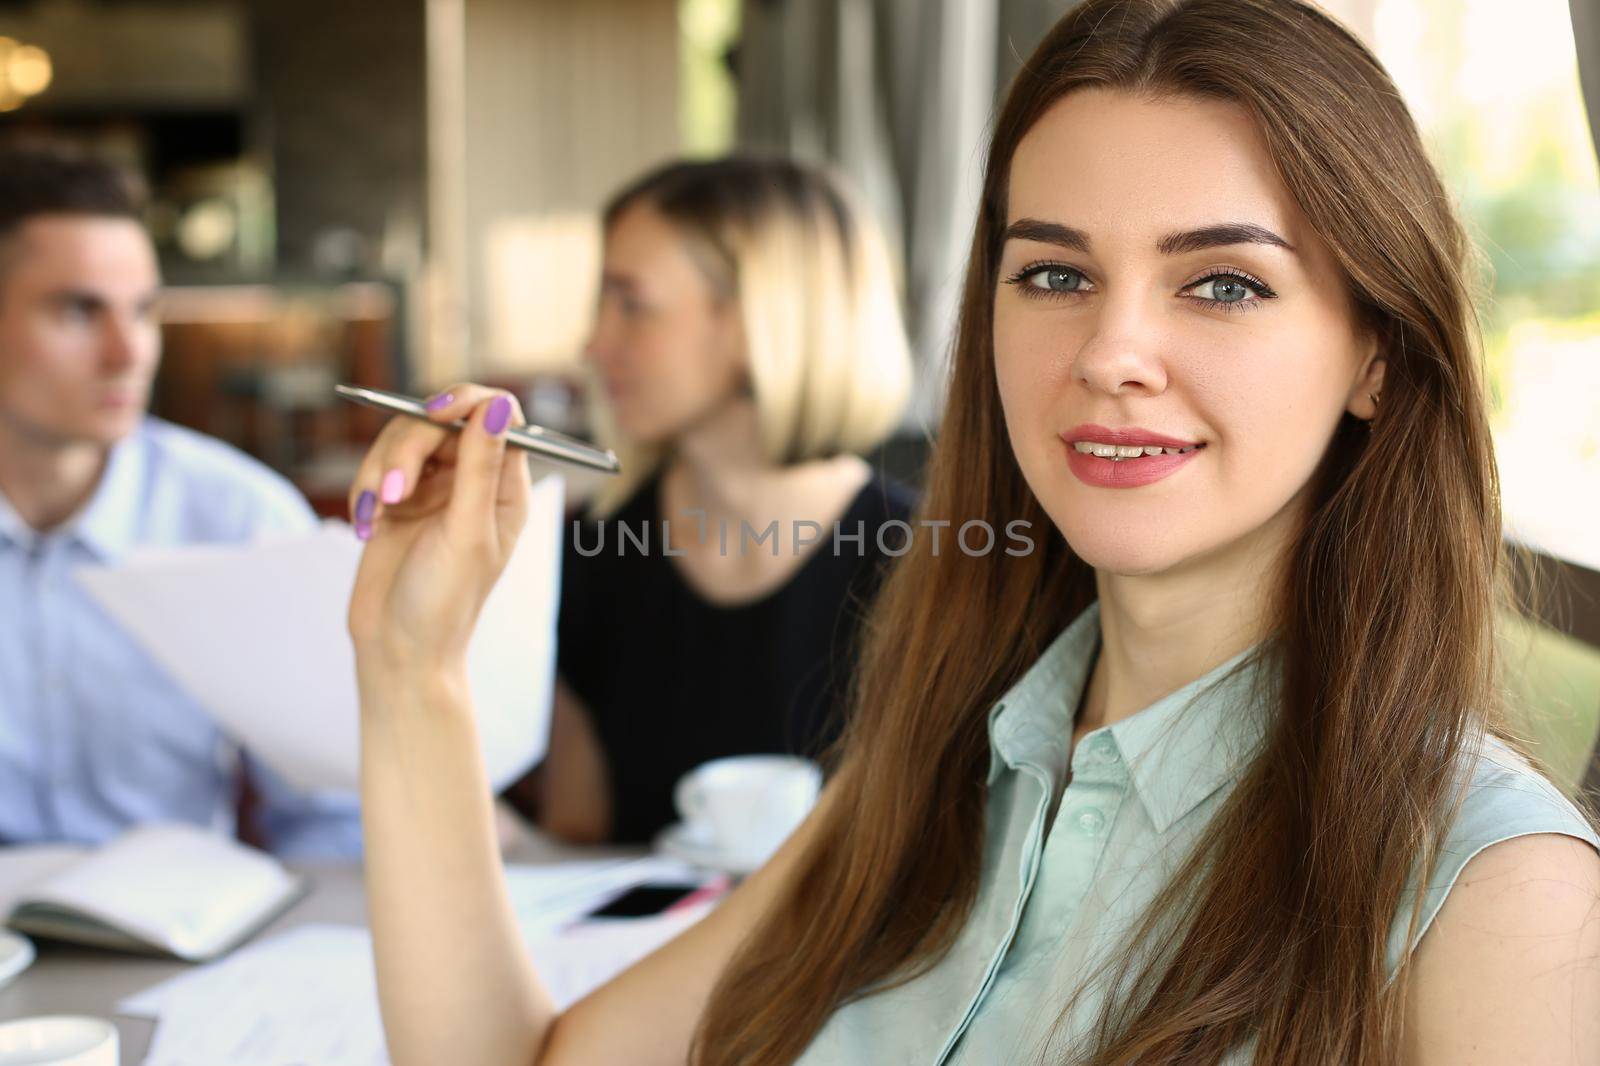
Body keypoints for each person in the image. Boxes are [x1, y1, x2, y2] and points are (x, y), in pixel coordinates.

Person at [344, 0, 1600, 1062]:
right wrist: (413, 673)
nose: (1110, 354)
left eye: (1222, 282)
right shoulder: (933, 765)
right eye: (1053, 273)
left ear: (1376, 352)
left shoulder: (1499, 895)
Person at [498, 157, 917, 844]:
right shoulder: (594, 548)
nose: (594, 344)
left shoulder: (925, 568)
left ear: (758, 322)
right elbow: (579, 842)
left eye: (632, 303)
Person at [0, 143, 361, 858]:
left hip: (184, 945)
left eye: (142, 312)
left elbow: (332, 821)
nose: (129, 352)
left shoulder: (239, 521)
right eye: (80, 311)